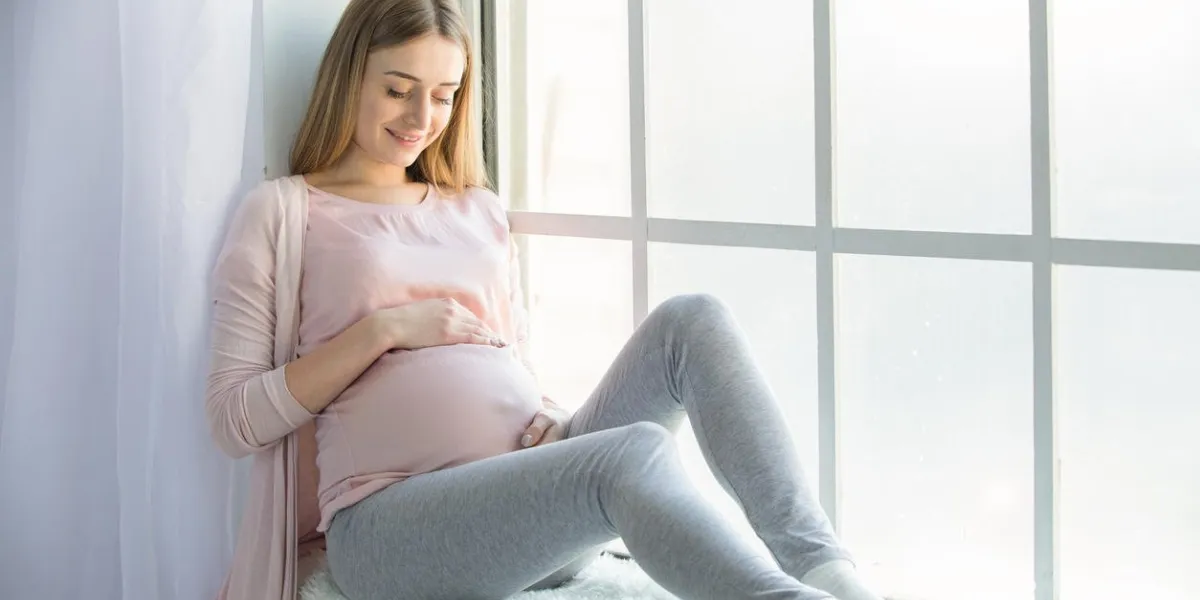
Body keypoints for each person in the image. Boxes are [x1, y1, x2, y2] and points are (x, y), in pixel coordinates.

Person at [205, 1, 886, 599]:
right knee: (634, 452)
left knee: (693, 321)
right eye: (398, 89)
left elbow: (506, 365)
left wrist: (553, 415)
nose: (421, 117)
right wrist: (384, 330)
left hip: (528, 501)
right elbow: (235, 420)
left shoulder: (476, 209)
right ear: (348, 76)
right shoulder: (285, 212)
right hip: (388, 528)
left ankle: (828, 572)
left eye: (444, 95)